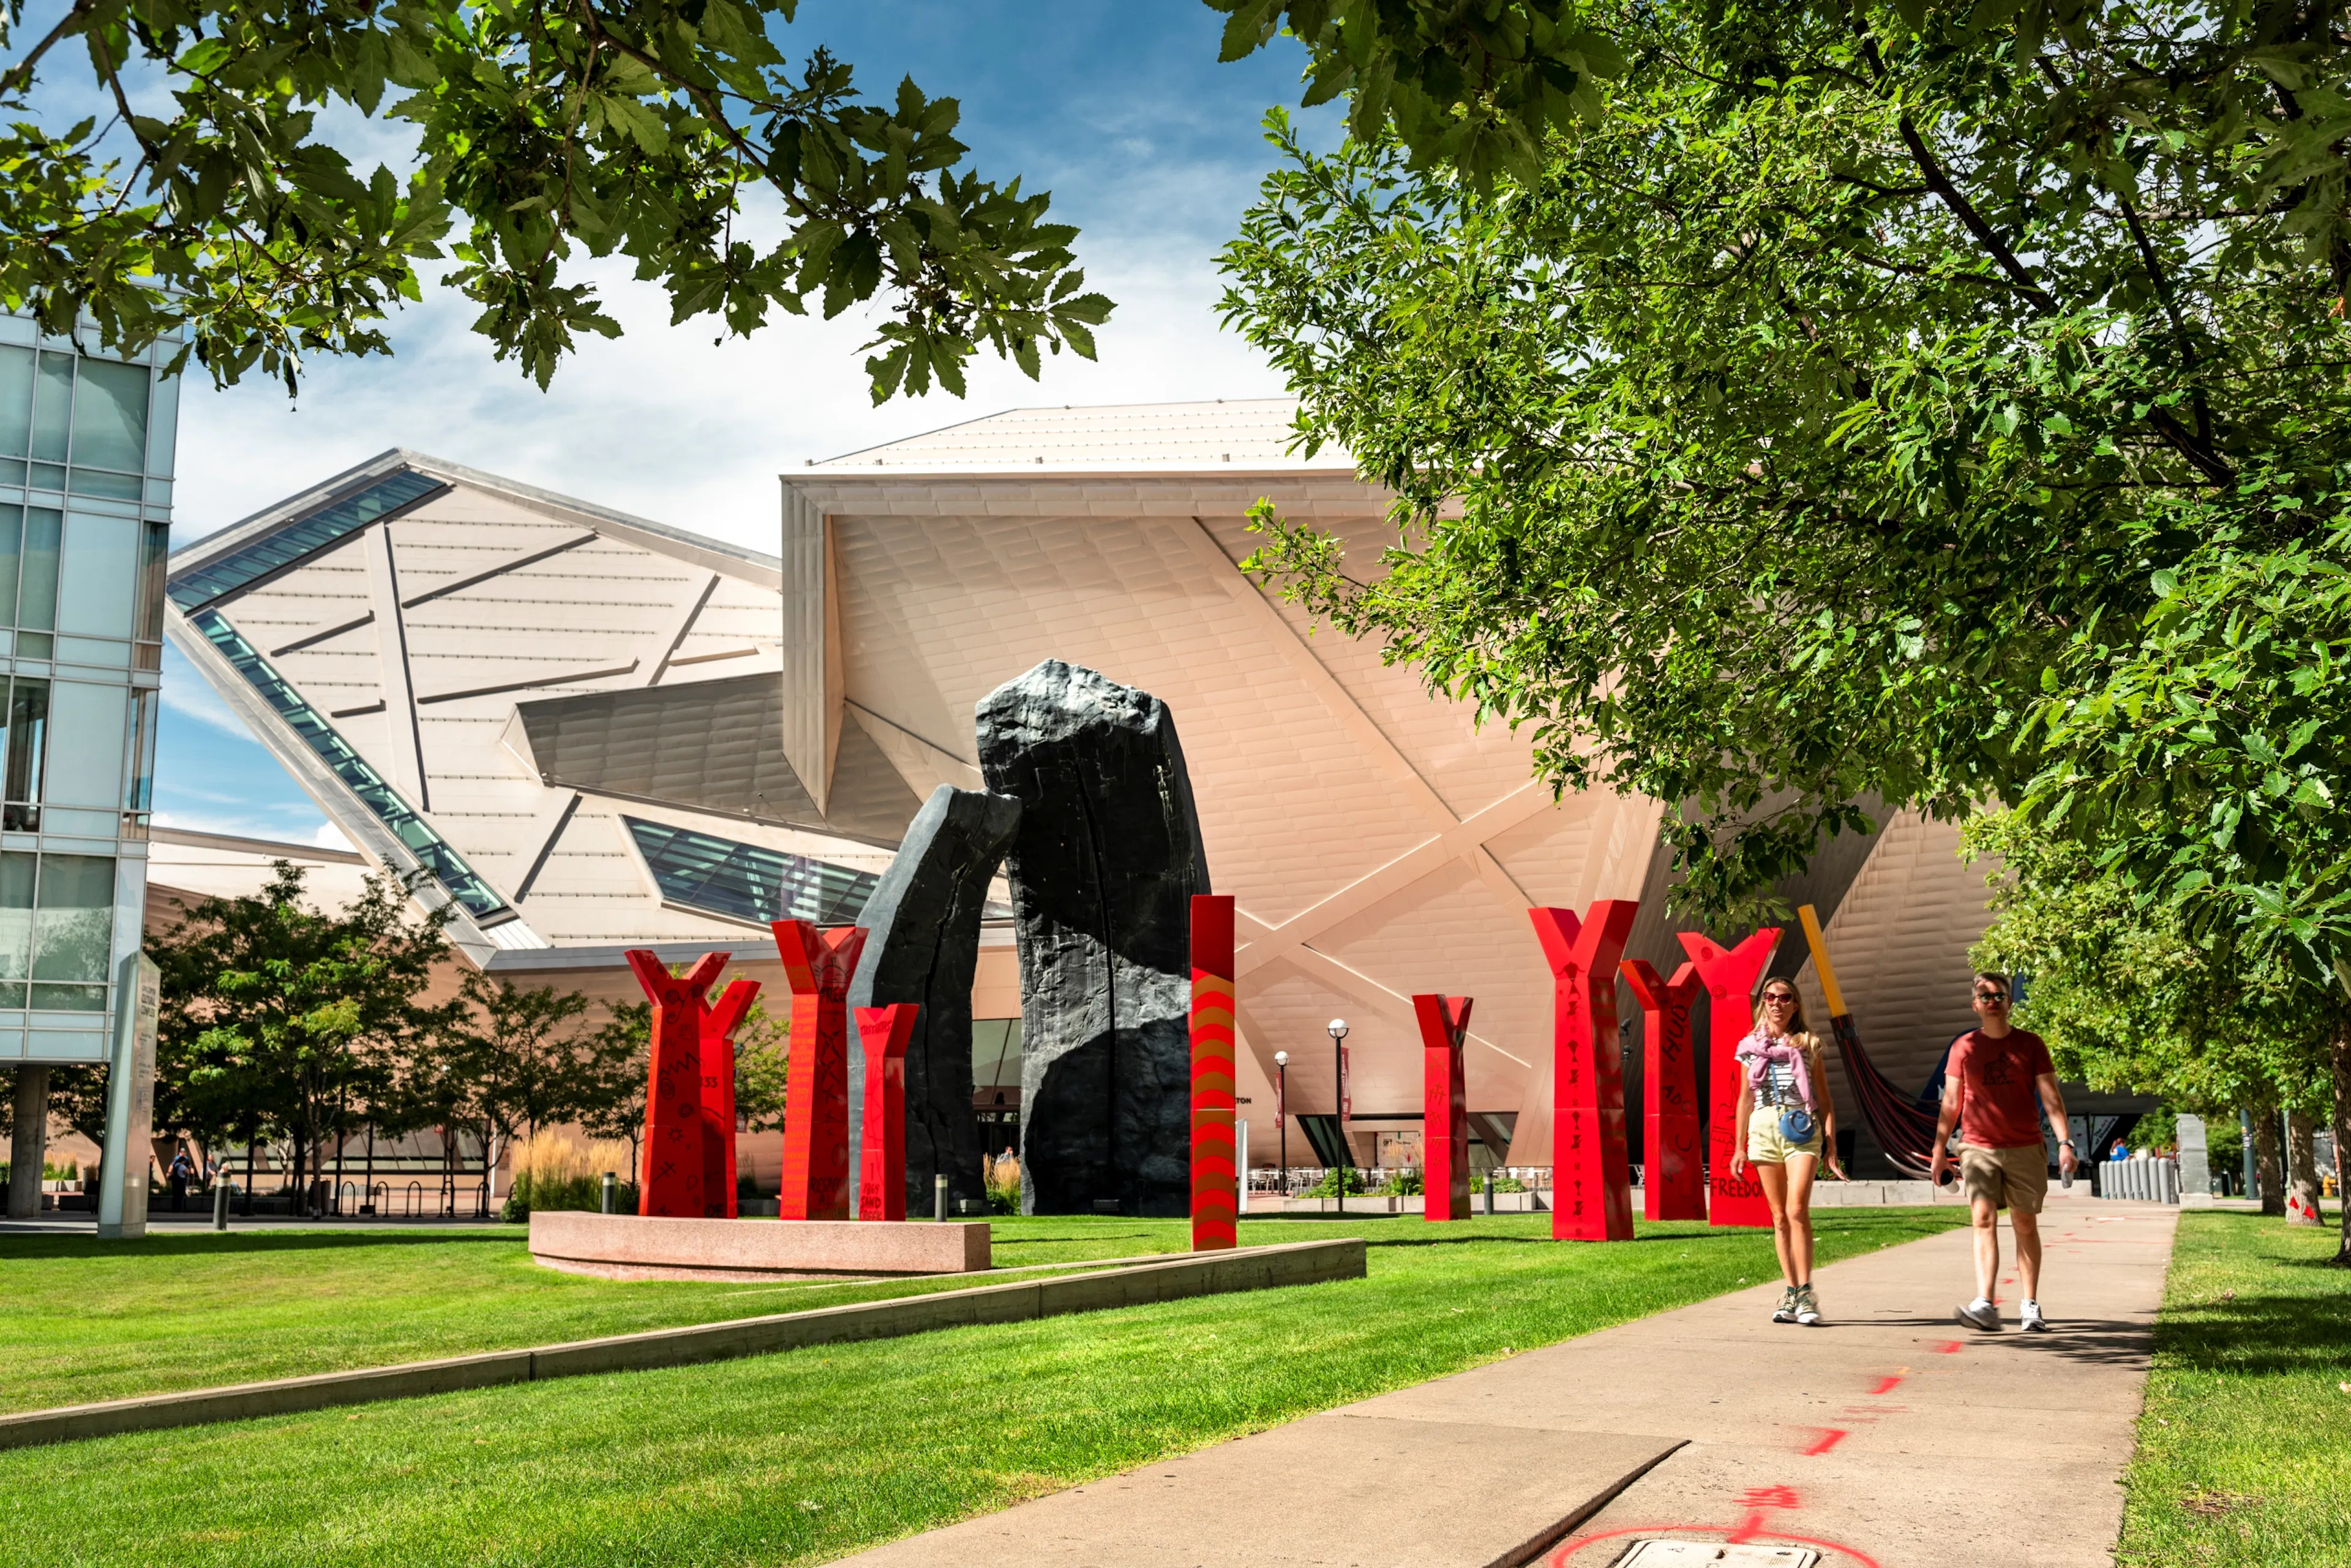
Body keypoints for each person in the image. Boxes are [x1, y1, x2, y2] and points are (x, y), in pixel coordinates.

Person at [1931, 971, 2078, 1332]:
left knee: (2025, 1223)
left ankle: (2030, 1305)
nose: (1992, 1002)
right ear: (1975, 1005)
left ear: (2010, 1003)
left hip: (2025, 1147)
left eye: (1999, 996)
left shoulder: (2031, 1045)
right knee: (1982, 1219)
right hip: (1978, 1147)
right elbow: (1951, 1102)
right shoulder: (1963, 1047)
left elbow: (2051, 1098)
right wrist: (1938, 1151)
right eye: (1985, 997)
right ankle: (1985, 1303)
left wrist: (2065, 1142)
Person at [1729, 978, 1846, 1325]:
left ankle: (1807, 1292)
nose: (1777, 1003)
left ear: (1796, 1005)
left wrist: (1831, 1144)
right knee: (1779, 1216)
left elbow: (1824, 1098)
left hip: (1801, 1127)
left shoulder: (1809, 1044)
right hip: (1763, 1128)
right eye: (1770, 997)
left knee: (1797, 1209)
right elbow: (1745, 1098)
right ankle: (1792, 1290)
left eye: (1785, 998)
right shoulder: (1749, 1047)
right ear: (1763, 1003)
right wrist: (1738, 1148)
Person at [167, 1147, 194, 1212]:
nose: (183, 1154)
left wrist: (191, 1169)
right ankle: (178, 1208)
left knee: (177, 1194)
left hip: (180, 1177)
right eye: (182, 1153)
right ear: (180, 1153)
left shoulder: (186, 1159)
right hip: (179, 1177)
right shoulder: (177, 1158)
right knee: (178, 1194)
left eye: (184, 1153)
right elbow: (171, 1166)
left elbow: (189, 1165)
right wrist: (169, 1172)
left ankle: (176, 1208)